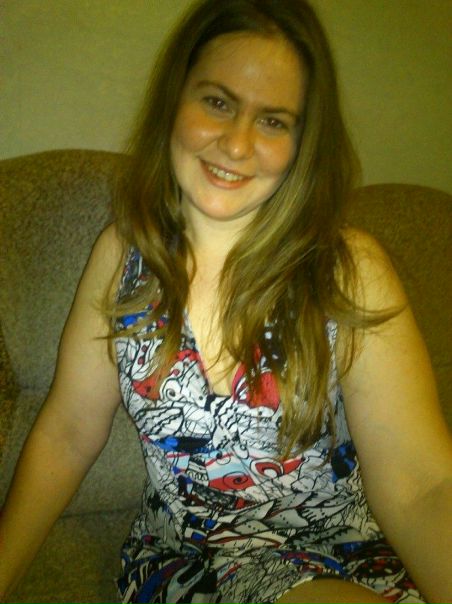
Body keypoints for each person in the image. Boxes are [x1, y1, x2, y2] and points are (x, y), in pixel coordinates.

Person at [1, 0, 451, 602]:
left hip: (354, 555)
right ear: (175, 99)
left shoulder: (350, 270)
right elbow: (67, 431)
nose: (237, 144)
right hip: (199, 560)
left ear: (302, 142)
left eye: (273, 121)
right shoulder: (122, 258)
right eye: (217, 102)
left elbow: (421, 485)